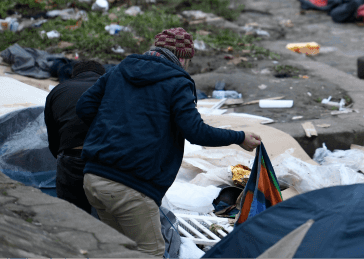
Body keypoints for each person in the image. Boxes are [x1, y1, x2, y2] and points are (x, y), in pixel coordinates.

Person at [76, 27, 261, 257]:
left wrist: (115, 126)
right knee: (150, 252)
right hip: (131, 186)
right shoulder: (177, 82)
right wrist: (240, 137)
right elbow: (197, 132)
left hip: (94, 179)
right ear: (183, 57)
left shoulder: (121, 69)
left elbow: (84, 107)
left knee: (120, 250)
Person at [44, 60, 106, 214]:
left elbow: (53, 138)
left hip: (71, 157)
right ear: (102, 75)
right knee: (107, 216)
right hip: (105, 160)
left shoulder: (58, 90)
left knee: (72, 214)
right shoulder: (112, 88)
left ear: (74, 75)